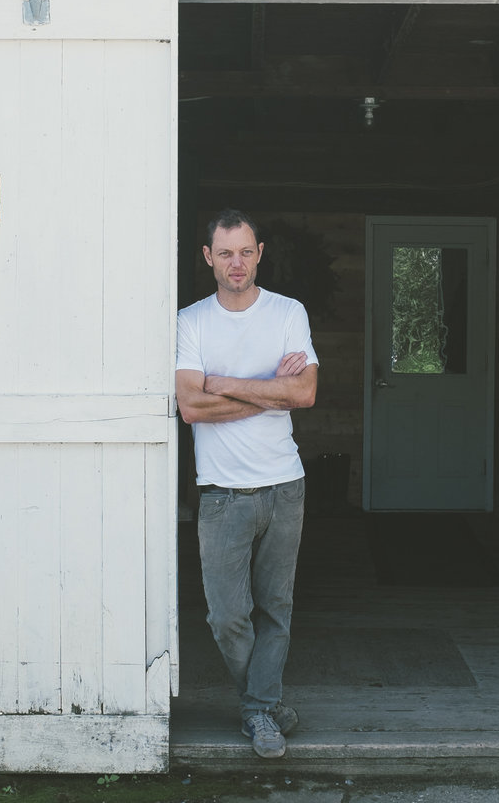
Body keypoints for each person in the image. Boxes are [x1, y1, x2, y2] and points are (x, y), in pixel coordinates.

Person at [175, 208, 319, 760]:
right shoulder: (192, 321)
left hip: (285, 485)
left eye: (246, 251)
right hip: (221, 494)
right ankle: (264, 703)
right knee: (227, 615)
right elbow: (191, 405)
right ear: (209, 258)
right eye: (225, 253)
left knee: (275, 608)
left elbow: (303, 395)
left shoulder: (288, 313)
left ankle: (259, 710)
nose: (237, 263)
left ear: (260, 253)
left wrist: (224, 385)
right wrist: (268, 389)